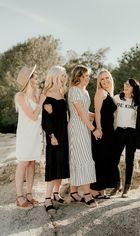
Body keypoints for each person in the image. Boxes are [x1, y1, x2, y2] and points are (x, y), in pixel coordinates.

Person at [68, 65, 99, 207]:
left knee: (80, 157)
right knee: (83, 157)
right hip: (77, 128)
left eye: (88, 76)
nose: (88, 78)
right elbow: (80, 114)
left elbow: (86, 112)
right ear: (78, 76)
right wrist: (94, 129)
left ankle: (74, 192)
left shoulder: (85, 91)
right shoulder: (74, 91)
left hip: (84, 127)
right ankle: (87, 195)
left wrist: (98, 115)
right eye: (85, 76)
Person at [15, 65, 45, 209]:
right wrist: (40, 103)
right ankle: (19, 197)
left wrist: (41, 101)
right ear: (28, 79)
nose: (37, 77)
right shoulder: (20, 96)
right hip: (25, 135)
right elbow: (33, 116)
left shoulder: (36, 94)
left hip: (35, 135)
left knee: (32, 163)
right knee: (23, 163)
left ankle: (29, 195)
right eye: (34, 75)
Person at [42, 65, 70, 213]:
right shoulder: (47, 94)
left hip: (64, 133)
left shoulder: (61, 92)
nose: (64, 78)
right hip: (54, 135)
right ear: (54, 76)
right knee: (53, 165)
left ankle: (56, 193)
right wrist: (52, 136)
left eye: (65, 75)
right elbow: (46, 120)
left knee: (61, 163)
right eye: (62, 75)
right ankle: (47, 199)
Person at [111, 79, 140, 197]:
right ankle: (117, 184)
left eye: (129, 85)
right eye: (125, 84)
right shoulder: (116, 98)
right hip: (118, 131)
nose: (126, 86)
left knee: (129, 160)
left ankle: (127, 188)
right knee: (114, 159)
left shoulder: (137, 102)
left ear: (134, 88)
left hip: (131, 132)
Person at [90, 69, 117, 199]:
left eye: (107, 78)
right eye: (102, 79)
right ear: (99, 82)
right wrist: (99, 129)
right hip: (102, 130)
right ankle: (95, 191)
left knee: (105, 159)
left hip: (109, 131)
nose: (105, 81)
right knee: (100, 159)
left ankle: (102, 192)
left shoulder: (108, 93)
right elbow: (97, 112)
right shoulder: (100, 92)